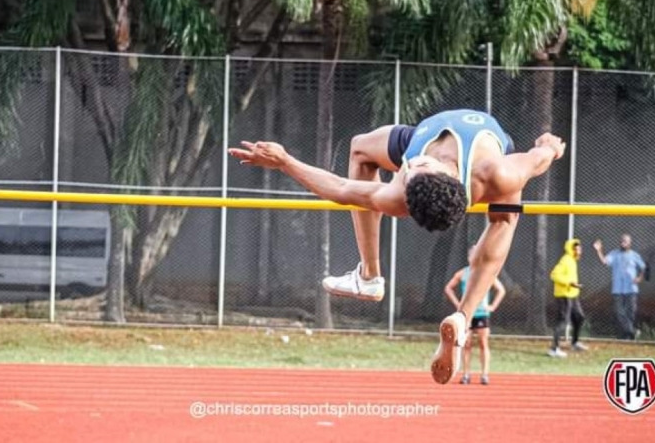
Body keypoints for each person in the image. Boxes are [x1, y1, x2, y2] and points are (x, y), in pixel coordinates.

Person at [229, 109, 566, 384]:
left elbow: (341, 188)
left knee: (504, 218)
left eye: (413, 172)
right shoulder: (496, 170)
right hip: (463, 141)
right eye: (414, 172)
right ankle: (418, 299)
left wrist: (285, 160)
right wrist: (549, 146)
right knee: (360, 149)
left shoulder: (407, 188)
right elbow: (539, 157)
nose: (412, 167)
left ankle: (435, 303)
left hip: (426, 136)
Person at [444, 245, 506, 385]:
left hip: (481, 313)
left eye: (477, 255)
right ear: (469, 257)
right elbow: (448, 288)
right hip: (466, 314)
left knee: (483, 344)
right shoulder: (463, 273)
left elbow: (501, 290)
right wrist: (457, 303)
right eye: (472, 255)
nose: (474, 257)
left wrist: (492, 306)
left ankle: (484, 374)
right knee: (466, 344)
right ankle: (466, 374)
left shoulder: (486, 273)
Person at [592, 234, 646, 340]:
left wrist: (640, 278)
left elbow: (643, 268)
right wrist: (599, 250)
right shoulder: (614, 254)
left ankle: (627, 336)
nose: (623, 243)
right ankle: (632, 332)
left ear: (630, 243)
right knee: (619, 312)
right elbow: (605, 261)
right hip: (618, 289)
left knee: (630, 313)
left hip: (631, 289)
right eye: (621, 241)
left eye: (625, 241)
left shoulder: (634, 255)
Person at [548, 238, 588, 357]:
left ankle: (575, 342)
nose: (580, 251)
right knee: (562, 321)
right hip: (564, 295)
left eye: (580, 249)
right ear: (572, 249)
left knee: (579, 317)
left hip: (572, 295)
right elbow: (554, 275)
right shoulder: (565, 260)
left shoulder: (572, 261)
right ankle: (554, 349)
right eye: (577, 249)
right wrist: (569, 283)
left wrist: (574, 286)